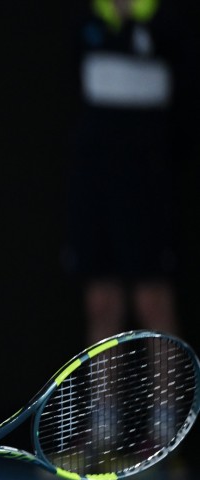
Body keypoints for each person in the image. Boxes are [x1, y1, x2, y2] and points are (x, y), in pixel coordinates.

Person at [64, 0, 197, 345]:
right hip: (94, 180)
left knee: (153, 301)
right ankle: (103, 402)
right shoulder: (84, 18)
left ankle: (172, 401)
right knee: (100, 302)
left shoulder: (171, 20)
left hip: (148, 182)